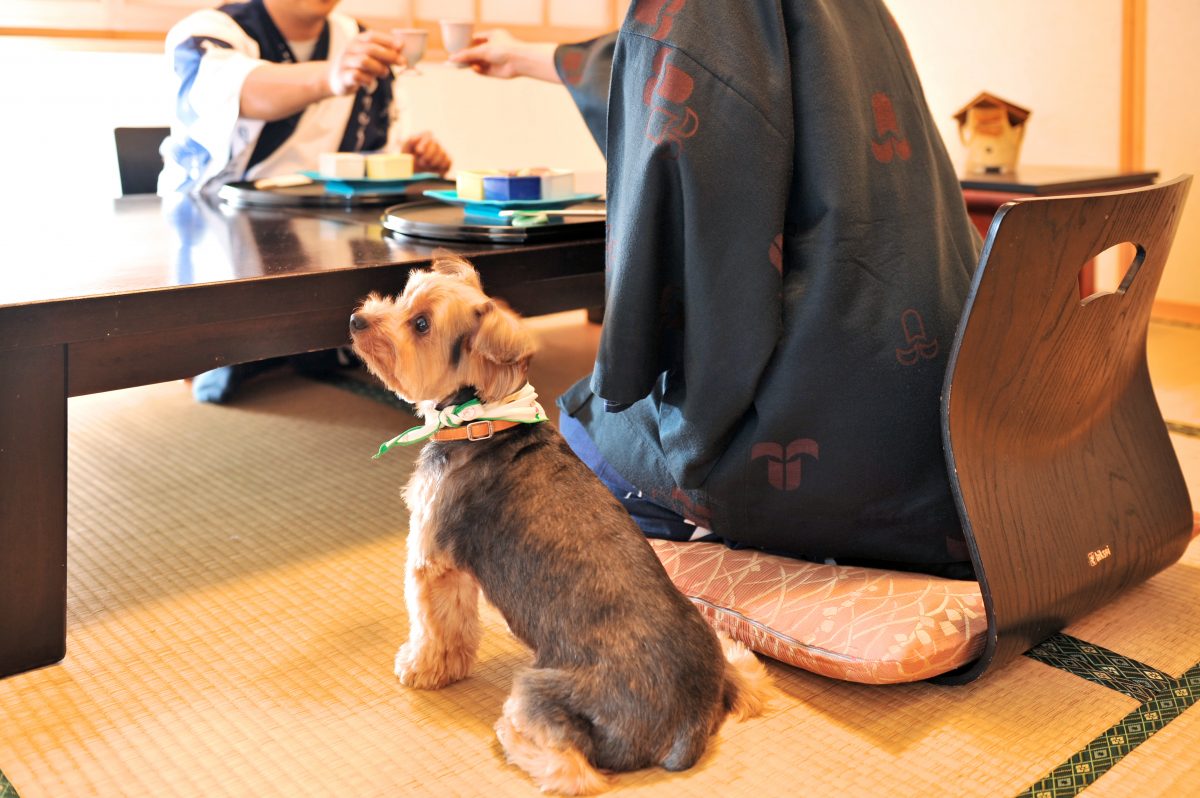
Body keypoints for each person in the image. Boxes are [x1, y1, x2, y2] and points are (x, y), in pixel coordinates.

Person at [453, 2, 982, 579]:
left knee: (584, 428)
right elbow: (697, 73)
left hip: (831, 424)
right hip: (943, 421)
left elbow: (685, 101)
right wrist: (529, 56)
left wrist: (632, 376)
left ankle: (731, 522)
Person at [159, 0, 453, 402]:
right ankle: (239, 350)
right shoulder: (211, 30)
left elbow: (367, 154)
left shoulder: (355, 36)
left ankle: (303, 345)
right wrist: (329, 76)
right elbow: (235, 91)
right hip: (218, 220)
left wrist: (408, 163)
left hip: (321, 223)